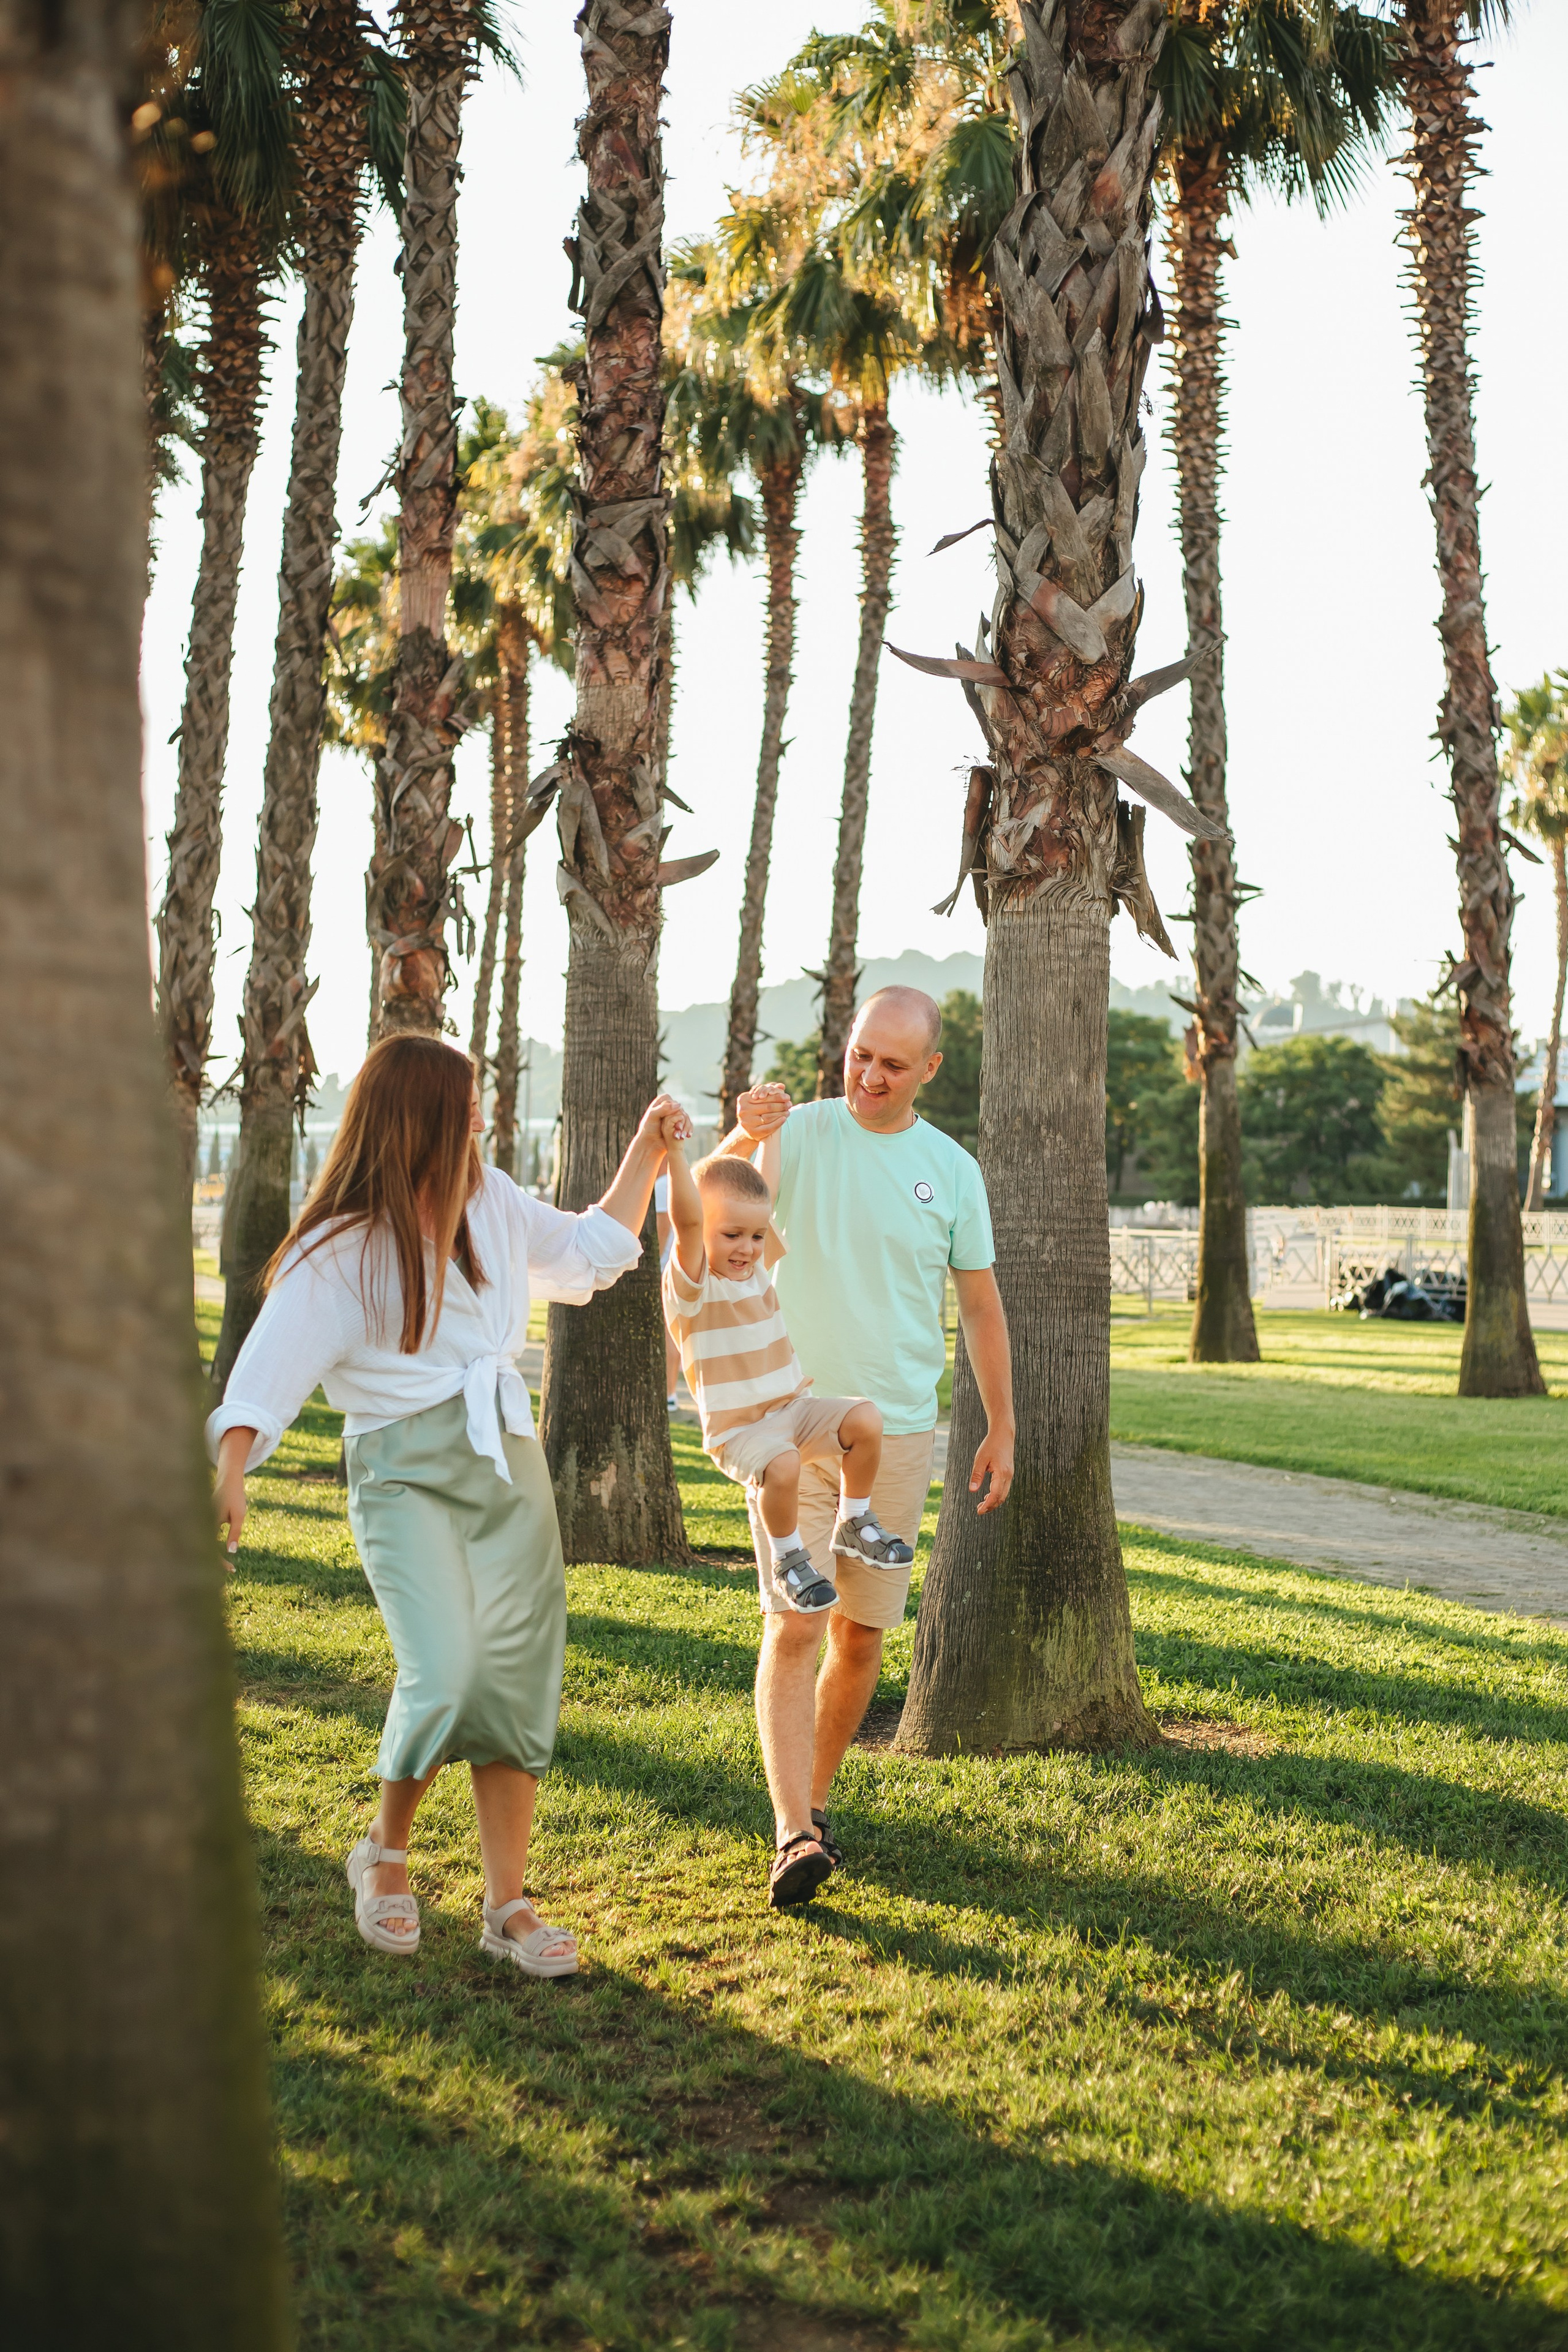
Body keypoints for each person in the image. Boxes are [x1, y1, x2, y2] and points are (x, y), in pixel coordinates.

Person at [209, 1033, 686, 1978]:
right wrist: (230, 1468)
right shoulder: (340, 1247)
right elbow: (267, 1369)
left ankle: (505, 1903)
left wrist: (647, 1150)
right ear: (421, 1116)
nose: (482, 1116)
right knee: (449, 1664)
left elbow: (592, 1252)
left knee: (511, 1673)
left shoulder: (494, 1200)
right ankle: (384, 1853)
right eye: (466, 1104)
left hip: (506, 1462)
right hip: (400, 1472)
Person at [716, 986, 1014, 1887]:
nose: (870, 1076)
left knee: (860, 1637)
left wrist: (1003, 1424)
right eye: (859, 1055)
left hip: (896, 1438)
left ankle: (814, 1802)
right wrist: (741, 1132)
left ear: (929, 1069)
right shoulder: (794, 1132)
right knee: (797, 1622)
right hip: (792, 1422)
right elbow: (710, 1209)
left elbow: (980, 1307)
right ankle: (794, 1833)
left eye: (892, 1063)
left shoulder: (953, 1170)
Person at [660, 1138, 916, 1903]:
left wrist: (761, 1133)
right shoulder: (694, 1285)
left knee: (864, 1421)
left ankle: (853, 1521)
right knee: (777, 1469)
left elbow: (756, 1188)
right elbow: (685, 1212)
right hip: (744, 1431)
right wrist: (682, 1152)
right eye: (727, 1235)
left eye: (751, 1235)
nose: (742, 1247)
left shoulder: (758, 1259)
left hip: (796, 1408)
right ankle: (788, 1561)